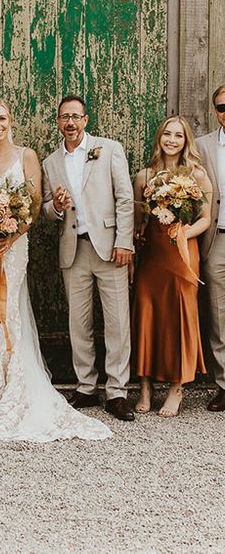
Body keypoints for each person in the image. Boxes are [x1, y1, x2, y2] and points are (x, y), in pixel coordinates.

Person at [0, 98, 110, 442]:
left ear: (11, 121)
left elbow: (35, 204)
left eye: (3, 118)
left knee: (9, 312)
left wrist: (11, 235)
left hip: (12, 246)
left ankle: (10, 383)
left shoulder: (27, 156)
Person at [42, 95, 135, 422]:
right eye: (64, 117)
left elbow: (125, 198)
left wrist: (124, 241)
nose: (70, 123)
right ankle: (85, 386)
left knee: (117, 321)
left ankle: (117, 391)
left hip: (110, 247)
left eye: (75, 117)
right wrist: (55, 205)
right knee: (78, 323)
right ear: (58, 122)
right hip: (74, 249)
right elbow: (45, 208)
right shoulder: (50, 162)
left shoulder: (109, 149)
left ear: (85, 119)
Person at [132, 116, 211, 417]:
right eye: (167, 134)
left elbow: (205, 218)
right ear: (159, 138)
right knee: (147, 313)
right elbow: (139, 219)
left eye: (178, 136)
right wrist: (137, 235)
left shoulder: (197, 174)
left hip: (182, 253)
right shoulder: (145, 175)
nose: (172, 140)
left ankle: (177, 388)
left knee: (180, 315)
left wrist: (183, 234)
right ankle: (145, 387)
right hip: (152, 254)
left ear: (185, 141)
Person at [195, 85, 225, 412]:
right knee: (219, 315)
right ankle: (224, 384)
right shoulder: (202, 146)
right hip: (217, 238)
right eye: (222, 107)